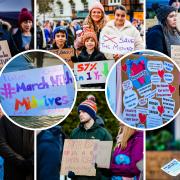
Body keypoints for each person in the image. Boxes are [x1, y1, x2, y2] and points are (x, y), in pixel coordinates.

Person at [69, 96, 112, 179]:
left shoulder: (103, 134)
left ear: (92, 113)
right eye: (79, 112)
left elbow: (105, 166)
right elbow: (70, 157)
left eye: (84, 112)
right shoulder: (75, 132)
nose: (80, 114)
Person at [0, 115, 34, 180]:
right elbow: (1, 144)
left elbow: (41, 139)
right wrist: (21, 162)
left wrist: (32, 161)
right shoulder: (5, 119)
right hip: (12, 171)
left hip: (33, 171)